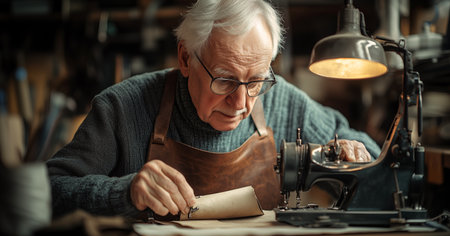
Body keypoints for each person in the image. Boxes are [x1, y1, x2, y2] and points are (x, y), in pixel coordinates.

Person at [47, 0, 381, 219]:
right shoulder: (123, 108)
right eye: (224, 81)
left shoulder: (287, 104)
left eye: (256, 82)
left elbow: (380, 168)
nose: (241, 104)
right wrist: (124, 190)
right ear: (185, 58)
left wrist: (355, 153)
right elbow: (48, 189)